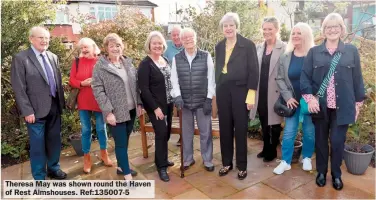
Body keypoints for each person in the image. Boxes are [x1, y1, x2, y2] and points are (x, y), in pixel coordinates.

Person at [300, 13, 365, 190]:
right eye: (329, 27)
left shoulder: (350, 51)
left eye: (336, 26)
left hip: (342, 106)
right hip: (319, 107)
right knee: (320, 141)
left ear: (341, 29)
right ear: (324, 30)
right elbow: (305, 78)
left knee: (337, 142)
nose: (332, 30)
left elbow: (357, 79)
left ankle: (336, 174)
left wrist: (357, 104)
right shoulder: (314, 52)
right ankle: (321, 172)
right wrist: (310, 99)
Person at [10, 26, 67, 180]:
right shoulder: (21, 58)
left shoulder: (53, 57)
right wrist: (27, 111)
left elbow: (57, 82)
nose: (45, 40)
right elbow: (19, 87)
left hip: (54, 107)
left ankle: (54, 168)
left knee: (54, 140)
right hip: (34, 111)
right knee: (37, 145)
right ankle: (39, 176)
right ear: (31, 39)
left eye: (47, 38)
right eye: (41, 37)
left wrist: (61, 104)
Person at [92, 33, 142, 180]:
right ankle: (127, 174)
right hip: (115, 112)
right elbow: (98, 90)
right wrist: (108, 112)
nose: (115, 48)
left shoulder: (128, 63)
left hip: (131, 110)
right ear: (106, 48)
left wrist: (139, 103)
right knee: (120, 144)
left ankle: (121, 167)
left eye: (118, 45)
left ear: (123, 47)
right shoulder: (100, 67)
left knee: (125, 140)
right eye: (112, 46)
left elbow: (136, 85)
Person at [215, 12, 259, 180]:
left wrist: (251, 95)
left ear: (236, 26)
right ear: (222, 28)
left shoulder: (248, 45)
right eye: (225, 26)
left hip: (241, 90)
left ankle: (242, 165)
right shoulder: (219, 46)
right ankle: (226, 163)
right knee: (225, 127)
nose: (228, 28)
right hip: (223, 90)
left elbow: (254, 71)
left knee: (240, 129)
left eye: (231, 25)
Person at [170, 28, 216, 172]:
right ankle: (188, 159)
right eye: (185, 38)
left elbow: (211, 78)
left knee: (205, 133)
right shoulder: (176, 58)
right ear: (181, 41)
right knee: (186, 134)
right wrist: (177, 96)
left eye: (191, 37)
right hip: (185, 103)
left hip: (202, 102)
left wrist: (209, 99)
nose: (188, 40)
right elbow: (174, 80)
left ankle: (207, 160)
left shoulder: (206, 56)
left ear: (196, 38)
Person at [273, 23, 315, 175]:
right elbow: (279, 78)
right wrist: (288, 97)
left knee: (309, 131)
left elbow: (318, 79)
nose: (295, 36)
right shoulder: (286, 56)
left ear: (306, 35)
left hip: (308, 102)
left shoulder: (313, 55)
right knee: (289, 132)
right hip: (292, 103)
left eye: (299, 33)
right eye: (293, 33)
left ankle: (307, 158)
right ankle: (285, 161)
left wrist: (313, 98)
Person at [69, 37, 113, 174]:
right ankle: (86, 157)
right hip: (84, 101)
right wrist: (82, 83)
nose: (84, 50)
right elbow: (72, 80)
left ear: (94, 47)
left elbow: (108, 79)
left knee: (101, 128)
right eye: (82, 48)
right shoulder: (76, 62)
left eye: (86, 47)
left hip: (99, 101)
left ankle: (104, 153)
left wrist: (95, 82)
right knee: (86, 130)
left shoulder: (101, 61)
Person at [138, 31, 175, 182]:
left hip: (168, 103)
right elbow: (144, 89)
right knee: (160, 133)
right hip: (155, 106)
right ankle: (161, 167)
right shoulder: (145, 64)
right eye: (154, 43)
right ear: (149, 45)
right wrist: (155, 108)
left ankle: (162, 159)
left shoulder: (165, 60)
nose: (157, 46)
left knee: (166, 133)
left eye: (160, 43)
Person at [250, 16, 286, 162]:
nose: (266, 32)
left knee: (275, 123)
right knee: (264, 120)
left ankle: (272, 151)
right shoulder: (259, 47)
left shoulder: (284, 47)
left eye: (270, 29)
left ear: (276, 30)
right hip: (261, 91)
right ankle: (265, 148)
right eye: (264, 29)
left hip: (276, 91)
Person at [164, 25, 184, 146]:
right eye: (173, 35)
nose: (176, 37)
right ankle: (165, 136)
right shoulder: (167, 46)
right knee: (169, 110)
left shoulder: (186, 45)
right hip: (169, 83)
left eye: (178, 34)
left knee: (182, 110)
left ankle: (183, 136)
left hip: (184, 84)